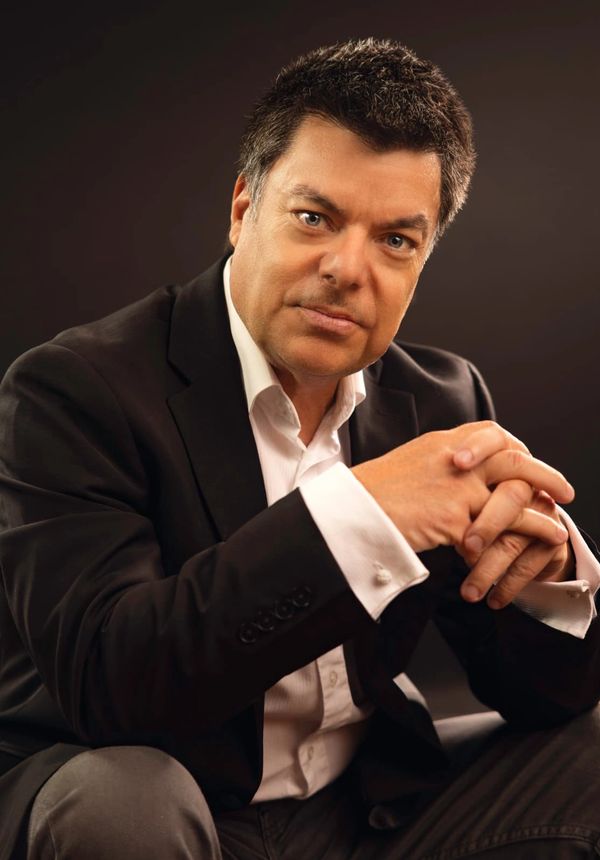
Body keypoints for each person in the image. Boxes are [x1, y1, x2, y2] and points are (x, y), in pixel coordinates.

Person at [1, 37, 600, 860]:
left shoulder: (443, 400)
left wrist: (549, 583)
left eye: (396, 240)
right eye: (314, 218)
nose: (347, 269)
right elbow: (114, 687)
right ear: (244, 208)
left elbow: (540, 699)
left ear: (425, 258)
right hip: (166, 808)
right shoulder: (73, 390)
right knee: (123, 797)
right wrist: (365, 512)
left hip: (360, 810)